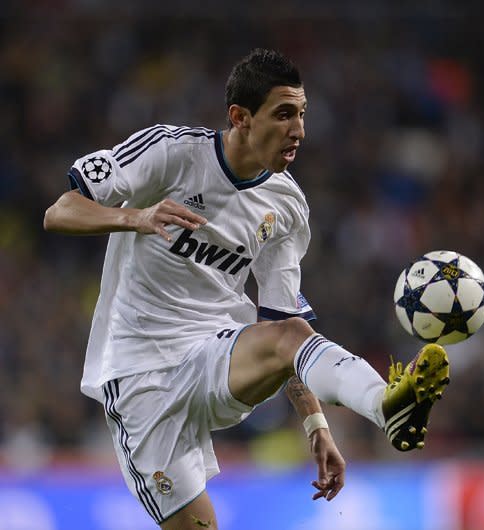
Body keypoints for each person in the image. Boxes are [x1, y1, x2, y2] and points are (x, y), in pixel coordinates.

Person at [43, 48, 450, 529]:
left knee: (290, 332)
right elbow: (59, 212)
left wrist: (316, 424)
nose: (298, 130)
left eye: (301, 114)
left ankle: (388, 407)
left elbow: (282, 328)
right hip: (140, 375)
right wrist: (138, 216)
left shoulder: (286, 204)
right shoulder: (169, 153)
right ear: (240, 117)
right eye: (283, 114)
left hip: (215, 356)